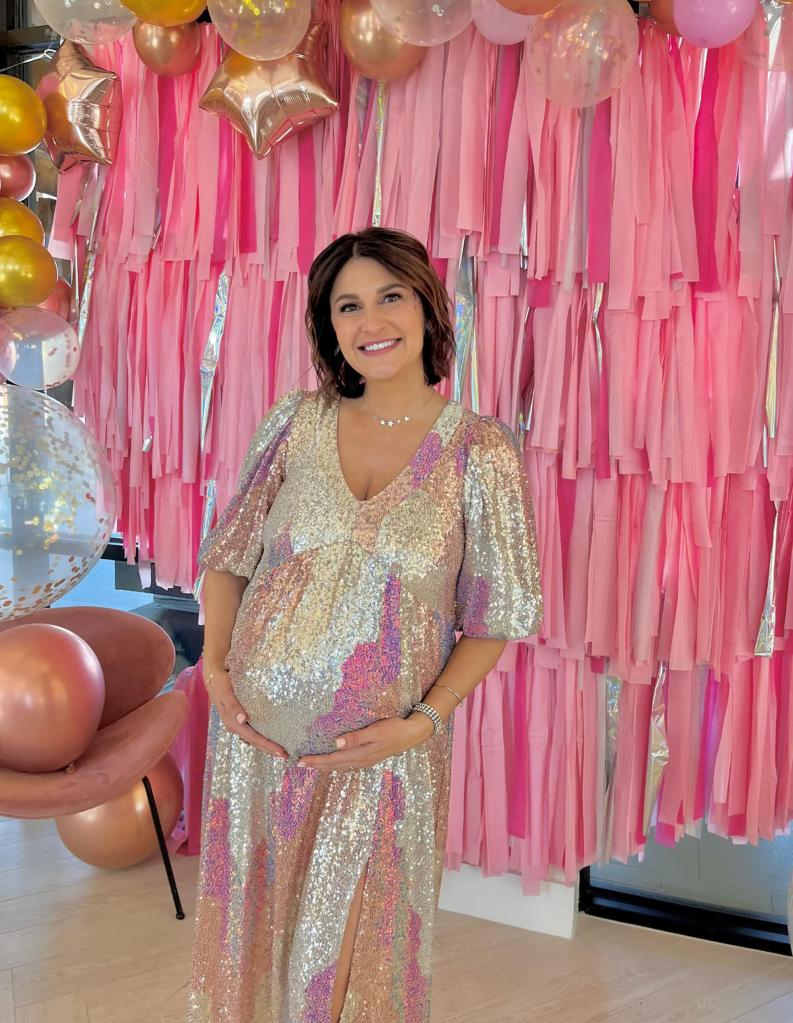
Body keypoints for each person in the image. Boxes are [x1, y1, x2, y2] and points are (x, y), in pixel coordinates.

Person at [186, 227, 542, 1023]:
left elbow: (496, 615)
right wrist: (216, 669)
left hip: (381, 755)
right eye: (347, 305)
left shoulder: (480, 452)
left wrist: (423, 722)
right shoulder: (293, 421)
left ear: (426, 307)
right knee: (256, 943)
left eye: (389, 295)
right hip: (256, 748)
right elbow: (230, 555)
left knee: (346, 963)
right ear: (328, 325)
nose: (369, 319)